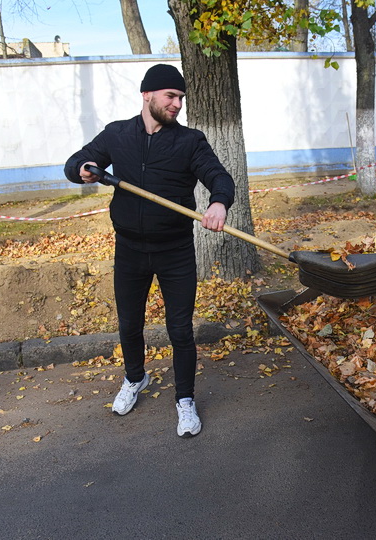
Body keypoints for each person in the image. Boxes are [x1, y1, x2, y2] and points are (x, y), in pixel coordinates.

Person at [64, 63, 235, 437]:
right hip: (129, 250)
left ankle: (185, 401)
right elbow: (76, 161)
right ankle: (134, 378)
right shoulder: (117, 135)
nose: (177, 104)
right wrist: (84, 168)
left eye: (180, 98)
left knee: (180, 330)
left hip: (174, 251)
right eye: (170, 96)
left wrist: (219, 201)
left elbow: (218, 176)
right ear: (148, 95)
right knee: (129, 324)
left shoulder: (190, 141)